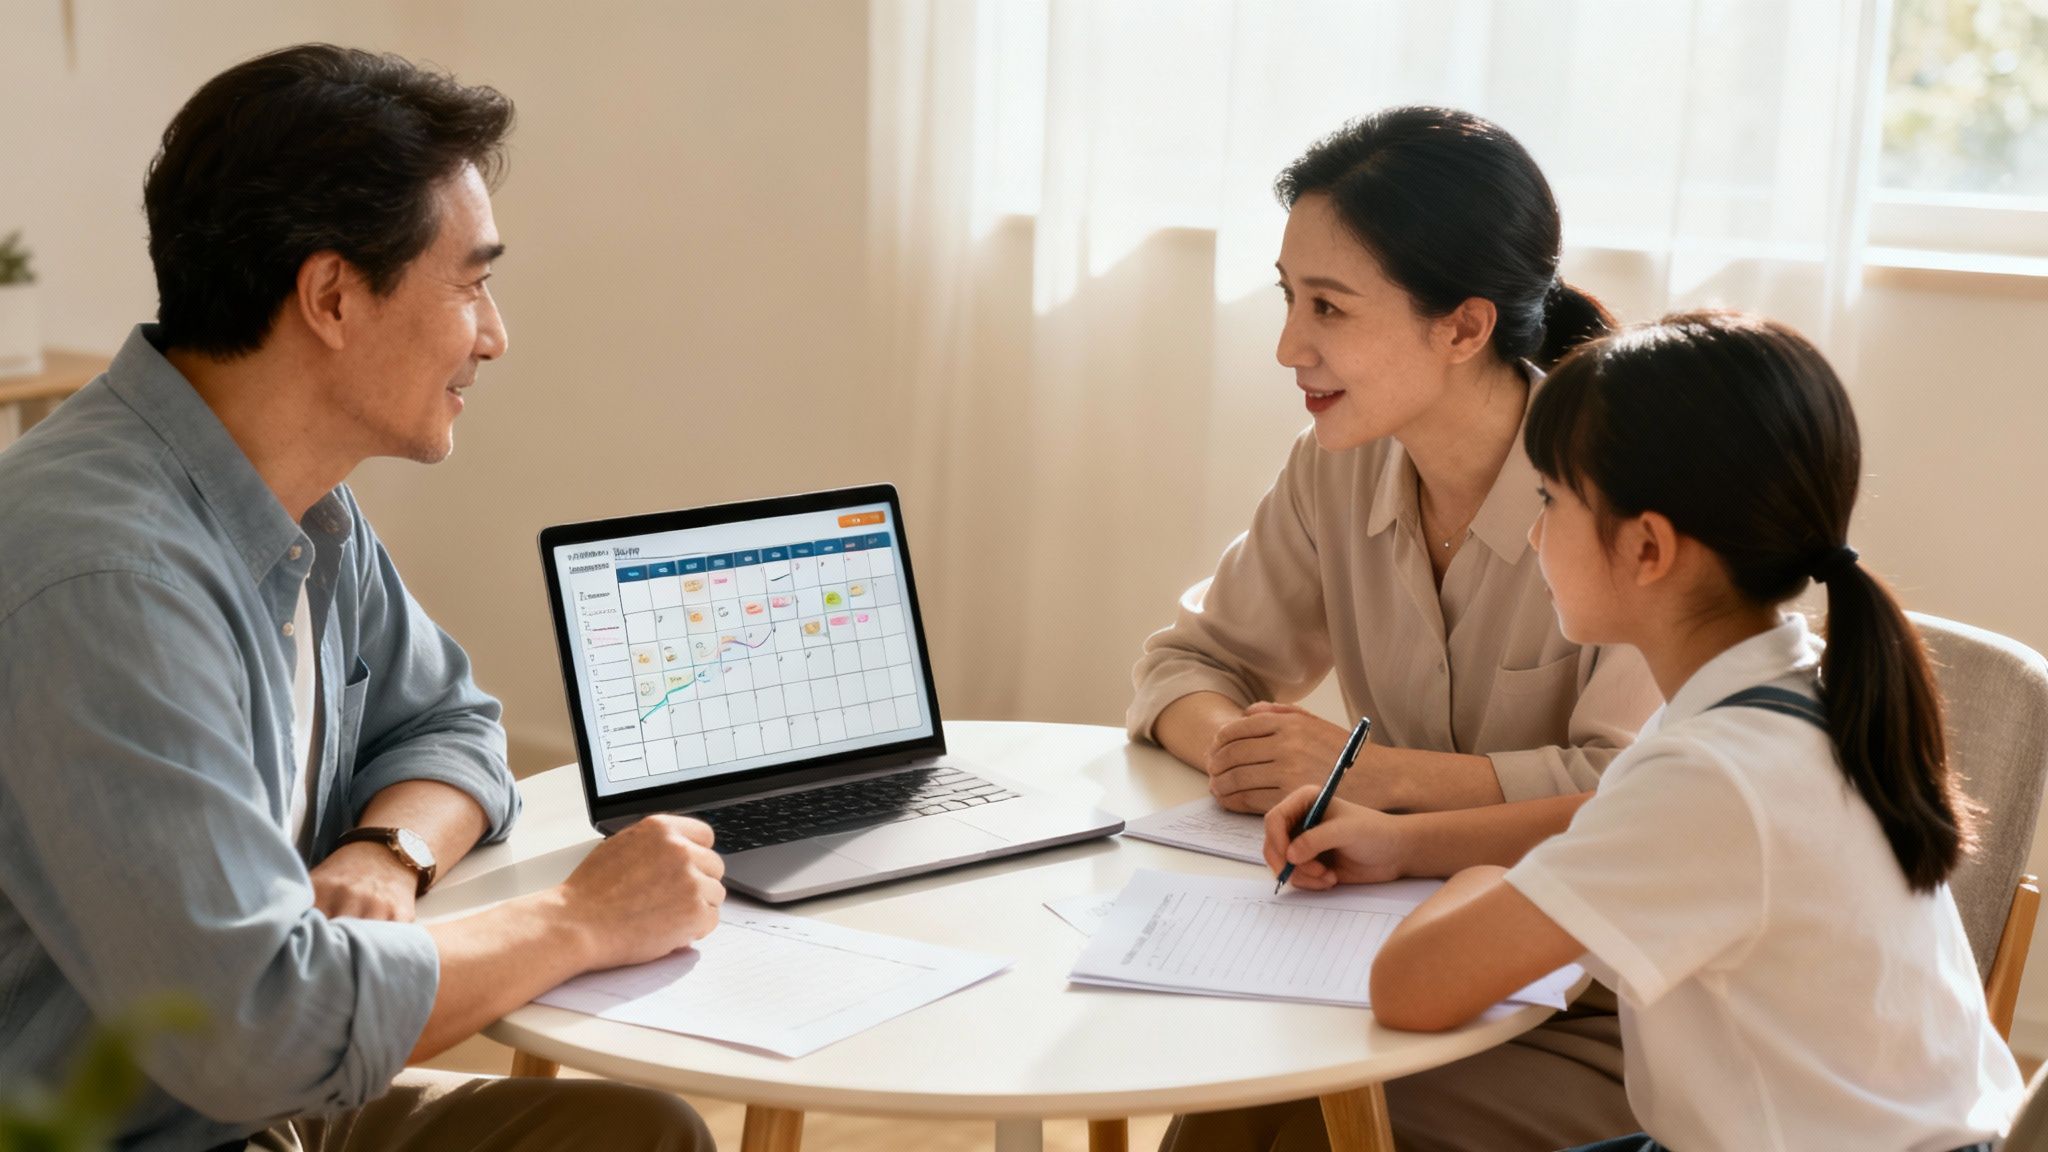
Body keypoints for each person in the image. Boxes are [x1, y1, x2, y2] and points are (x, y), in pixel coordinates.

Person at [0, 45, 723, 1151]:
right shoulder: (109, 578)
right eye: (472, 282)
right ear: (332, 296)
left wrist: (385, 852)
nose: (494, 334)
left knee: (640, 1133)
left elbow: (453, 726)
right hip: (132, 1125)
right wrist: (580, 919)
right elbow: (258, 1028)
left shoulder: (293, 502)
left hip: (247, 1106)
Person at [1269, 311, 2025, 1149]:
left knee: (1315, 1114)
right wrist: (1406, 844)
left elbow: (1410, 987)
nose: (1529, 531)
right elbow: (1608, 813)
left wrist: (1476, 882)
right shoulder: (1782, 692)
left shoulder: (1718, 777)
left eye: (1549, 499)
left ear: (1648, 547)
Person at [1138, 107, 1661, 1150]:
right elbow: (1188, 661)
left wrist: (1370, 775)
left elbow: (1631, 798)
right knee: (1228, 1103)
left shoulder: (1627, 502)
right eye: (1288, 298)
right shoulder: (1333, 465)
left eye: (1327, 306)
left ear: (1463, 327)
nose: (1289, 345)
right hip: (1405, 942)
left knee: (1301, 1125)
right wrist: (1248, 754)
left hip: (1617, 1010)